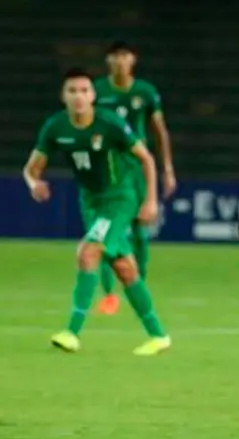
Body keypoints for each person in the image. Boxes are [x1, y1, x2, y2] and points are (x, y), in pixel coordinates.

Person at [22, 67, 170, 355]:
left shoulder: (109, 123)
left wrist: (150, 200)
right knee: (125, 268)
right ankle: (158, 335)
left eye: (84, 91)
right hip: (90, 201)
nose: (79, 97)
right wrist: (33, 183)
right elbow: (31, 169)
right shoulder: (55, 127)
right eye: (72, 91)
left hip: (119, 198)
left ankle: (72, 331)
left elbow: (146, 159)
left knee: (89, 251)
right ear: (63, 96)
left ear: (93, 95)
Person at [94, 40, 177, 315]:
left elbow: (159, 131)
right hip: (108, 168)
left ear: (133, 59)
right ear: (109, 60)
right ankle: (108, 295)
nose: (120, 60)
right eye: (115, 56)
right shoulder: (97, 91)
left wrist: (167, 169)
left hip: (138, 167)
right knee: (105, 230)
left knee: (141, 231)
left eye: (125, 55)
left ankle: (137, 285)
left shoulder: (145, 92)